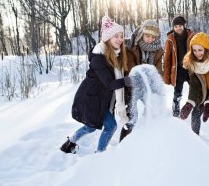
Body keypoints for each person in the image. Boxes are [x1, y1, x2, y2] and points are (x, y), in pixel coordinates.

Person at [60, 16, 131, 153]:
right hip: (91, 98)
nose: (119, 39)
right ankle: (99, 156)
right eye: (115, 36)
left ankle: (69, 143)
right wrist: (128, 81)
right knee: (110, 126)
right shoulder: (99, 57)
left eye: (121, 36)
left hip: (100, 99)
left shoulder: (116, 54)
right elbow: (110, 84)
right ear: (107, 38)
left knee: (91, 127)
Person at [119, 19, 164, 141]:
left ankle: (151, 143)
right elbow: (131, 70)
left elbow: (158, 71)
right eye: (147, 36)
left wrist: (156, 90)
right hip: (131, 86)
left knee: (154, 113)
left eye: (153, 37)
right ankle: (123, 146)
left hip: (148, 86)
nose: (150, 39)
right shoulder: (131, 46)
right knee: (132, 118)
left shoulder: (158, 50)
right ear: (141, 34)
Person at [163, 16, 195, 117]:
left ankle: (196, 109)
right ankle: (175, 112)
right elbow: (167, 58)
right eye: (176, 26)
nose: (178, 28)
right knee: (177, 93)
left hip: (191, 69)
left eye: (180, 26)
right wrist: (167, 75)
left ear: (184, 26)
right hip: (178, 70)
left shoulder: (192, 36)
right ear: (173, 27)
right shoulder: (170, 39)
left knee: (195, 90)